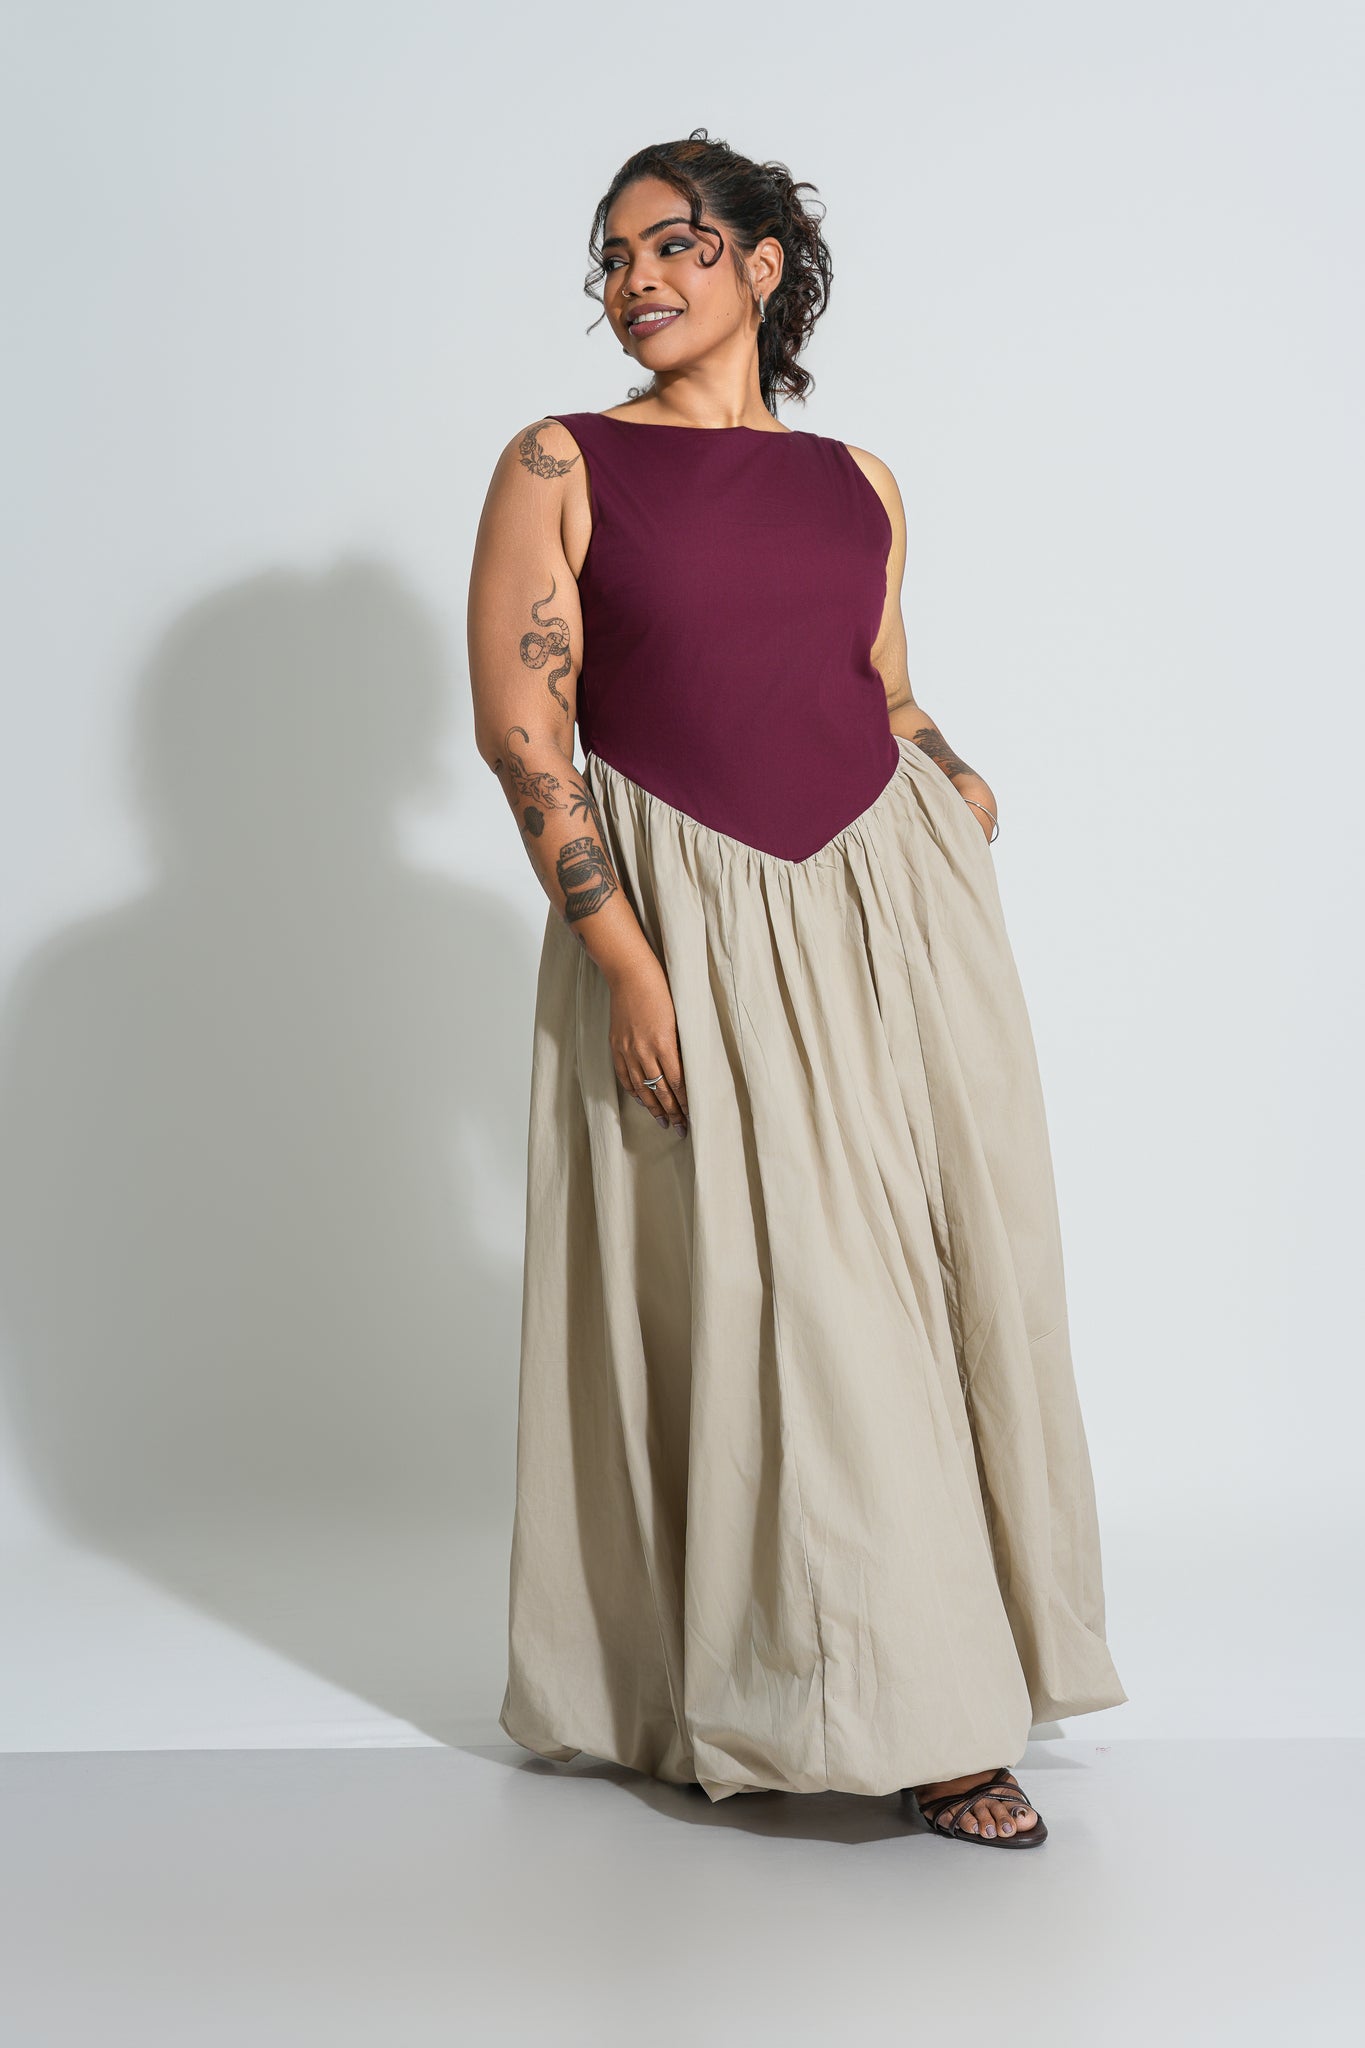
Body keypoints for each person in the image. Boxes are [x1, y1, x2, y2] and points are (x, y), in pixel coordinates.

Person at [466, 129, 1126, 1850]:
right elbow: (526, 731)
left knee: (930, 1282)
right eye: (613, 257)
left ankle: (942, 1689)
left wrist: (953, 778)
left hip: (887, 912)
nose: (635, 281)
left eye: (673, 245)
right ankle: (874, 1713)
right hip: (687, 915)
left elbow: (883, 690)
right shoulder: (560, 459)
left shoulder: (859, 481)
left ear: (761, 264)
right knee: (788, 1301)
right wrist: (627, 962)